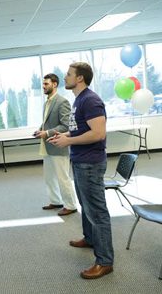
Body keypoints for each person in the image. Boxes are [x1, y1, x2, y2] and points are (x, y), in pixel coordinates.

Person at [48, 62, 113, 279]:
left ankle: (105, 261)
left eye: (68, 75)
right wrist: (66, 137)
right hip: (80, 160)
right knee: (86, 206)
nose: (64, 77)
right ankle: (90, 238)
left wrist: (69, 141)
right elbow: (80, 130)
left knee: (97, 211)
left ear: (80, 79)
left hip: (90, 163)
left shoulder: (91, 100)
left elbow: (98, 134)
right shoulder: (79, 100)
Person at [34, 73, 77, 216]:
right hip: (47, 146)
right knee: (49, 177)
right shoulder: (47, 102)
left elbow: (65, 126)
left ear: (54, 84)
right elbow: (48, 121)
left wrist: (46, 133)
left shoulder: (62, 102)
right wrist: (40, 129)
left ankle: (71, 205)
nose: (43, 87)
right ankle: (56, 201)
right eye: (43, 84)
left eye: (46, 84)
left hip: (58, 146)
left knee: (62, 178)